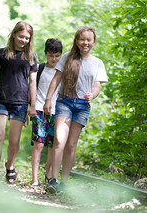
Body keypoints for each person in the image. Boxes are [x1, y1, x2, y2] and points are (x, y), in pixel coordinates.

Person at [43, 26, 108, 194]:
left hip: (82, 107)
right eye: (82, 39)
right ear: (77, 41)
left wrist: (92, 95)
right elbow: (56, 79)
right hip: (64, 101)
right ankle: (53, 180)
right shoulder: (67, 58)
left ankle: (63, 183)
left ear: (93, 42)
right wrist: (48, 99)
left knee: (71, 145)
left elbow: (97, 85)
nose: (85, 42)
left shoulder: (98, 63)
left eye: (89, 39)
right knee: (59, 139)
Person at [0, 21, 37, 184]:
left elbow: (33, 82)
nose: (24, 40)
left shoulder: (31, 57)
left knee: (14, 141)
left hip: (20, 103)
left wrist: (32, 105)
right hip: (1, 100)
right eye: (21, 36)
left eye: (27, 38)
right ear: (14, 34)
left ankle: (10, 166)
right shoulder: (2, 53)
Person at [30, 38, 63, 186]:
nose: (54, 59)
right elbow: (32, 87)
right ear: (45, 54)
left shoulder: (62, 71)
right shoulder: (39, 68)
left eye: (57, 56)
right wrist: (29, 107)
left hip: (57, 112)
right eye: (51, 56)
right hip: (38, 109)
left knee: (51, 145)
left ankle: (48, 175)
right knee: (39, 144)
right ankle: (34, 179)